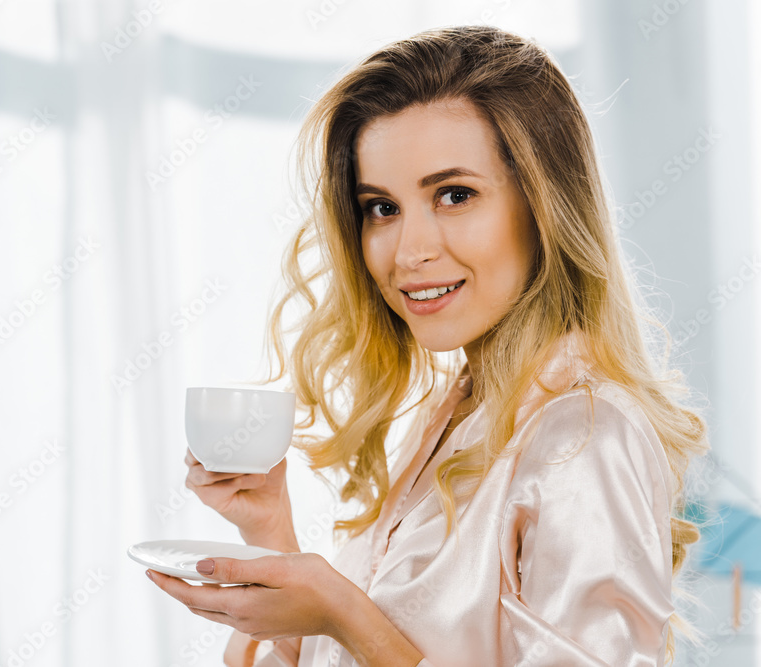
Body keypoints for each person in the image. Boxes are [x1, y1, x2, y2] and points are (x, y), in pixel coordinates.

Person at [145, 25, 709, 667]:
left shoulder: (586, 434)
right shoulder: (452, 417)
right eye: (381, 208)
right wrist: (268, 533)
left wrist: (345, 613)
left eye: (454, 195)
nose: (409, 251)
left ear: (544, 205)